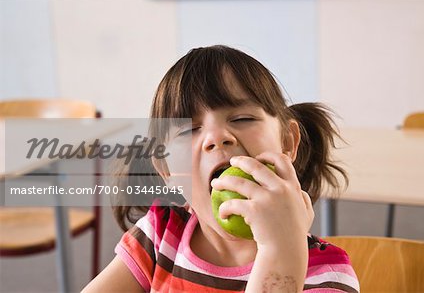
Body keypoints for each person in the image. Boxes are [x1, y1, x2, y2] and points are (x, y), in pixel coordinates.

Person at [82, 45, 360, 293]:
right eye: (189, 129)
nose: (217, 137)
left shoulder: (328, 276)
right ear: (166, 170)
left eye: (242, 118)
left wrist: (282, 253)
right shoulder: (158, 239)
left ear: (287, 142)